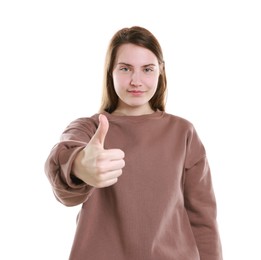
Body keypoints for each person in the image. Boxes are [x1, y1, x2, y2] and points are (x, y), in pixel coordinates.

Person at [44, 26, 223, 260]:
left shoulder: (183, 132)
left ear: (161, 72)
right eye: (125, 68)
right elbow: (62, 156)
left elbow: (203, 218)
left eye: (147, 69)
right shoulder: (90, 128)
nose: (136, 81)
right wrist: (79, 165)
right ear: (111, 72)